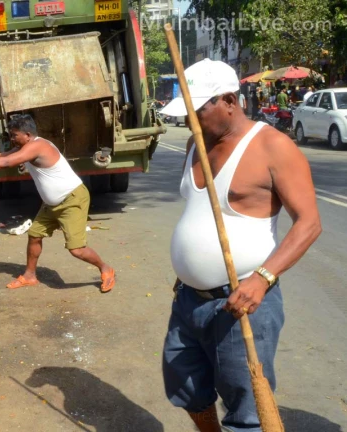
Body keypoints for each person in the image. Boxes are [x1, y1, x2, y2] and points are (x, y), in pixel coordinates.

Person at [159, 58, 321, 432]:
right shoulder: (193, 144)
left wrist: (262, 279)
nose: (189, 121)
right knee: (183, 382)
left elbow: (310, 223)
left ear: (229, 101)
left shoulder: (272, 147)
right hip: (188, 298)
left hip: (243, 301)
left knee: (245, 407)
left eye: (197, 111)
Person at [0, 114, 115, 292]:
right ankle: (29, 275)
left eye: (14, 135)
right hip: (51, 204)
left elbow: (6, 162)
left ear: (27, 135)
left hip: (72, 200)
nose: (11, 139)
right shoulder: (26, 145)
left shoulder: (38, 146)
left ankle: (106, 268)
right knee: (35, 235)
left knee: (77, 249)